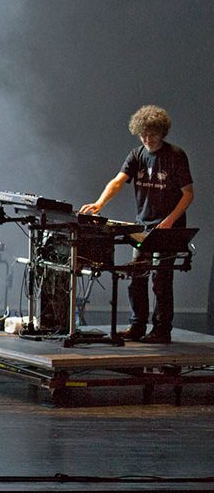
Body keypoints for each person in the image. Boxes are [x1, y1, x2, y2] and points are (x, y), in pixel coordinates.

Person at [80, 105, 194, 344]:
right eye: (143, 134)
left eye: (151, 134)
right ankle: (137, 326)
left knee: (161, 281)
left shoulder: (175, 156)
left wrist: (169, 222)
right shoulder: (136, 155)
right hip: (142, 228)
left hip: (168, 229)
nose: (147, 139)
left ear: (162, 132)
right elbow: (118, 181)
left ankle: (162, 330)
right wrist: (99, 203)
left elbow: (188, 194)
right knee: (136, 277)